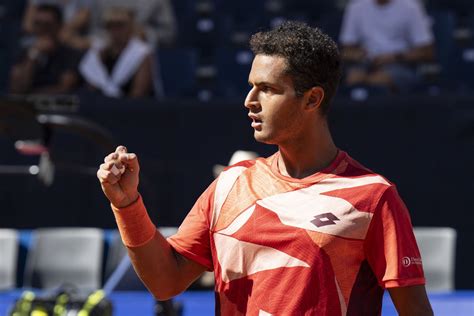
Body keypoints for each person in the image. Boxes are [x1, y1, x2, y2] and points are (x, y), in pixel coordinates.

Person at [97, 22, 433, 315]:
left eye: (268, 89)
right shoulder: (230, 183)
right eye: (251, 85)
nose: (249, 100)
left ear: (312, 99)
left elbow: (415, 311)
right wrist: (127, 204)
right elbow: (165, 281)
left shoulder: (373, 196)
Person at [339, 0, 435, 92]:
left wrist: (394, 57)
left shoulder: (411, 6)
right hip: (365, 63)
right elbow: (346, 50)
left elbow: (427, 52)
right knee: (352, 78)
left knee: (380, 80)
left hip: (401, 63)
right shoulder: (356, 6)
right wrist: (358, 54)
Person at [79, 7, 154, 98]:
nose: (115, 30)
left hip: (132, 108)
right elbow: (92, 88)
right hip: (102, 106)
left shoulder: (141, 53)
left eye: (120, 26)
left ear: (130, 28)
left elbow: (139, 94)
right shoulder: (99, 51)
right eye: (111, 26)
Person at [10, 4, 82, 94]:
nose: (41, 29)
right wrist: (33, 55)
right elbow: (17, 88)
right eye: (37, 24)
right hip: (25, 105)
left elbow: (65, 89)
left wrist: (30, 95)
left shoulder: (71, 54)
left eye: (47, 25)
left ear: (59, 26)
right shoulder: (26, 52)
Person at [89, 0, 177, 47]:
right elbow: (94, 30)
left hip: (141, 50)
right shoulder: (99, 2)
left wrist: (146, 34)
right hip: (106, 49)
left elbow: (168, 33)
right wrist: (109, 37)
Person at [22, 0, 92, 50]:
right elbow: (28, 25)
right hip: (39, 41)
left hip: (69, 41)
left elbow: (84, 16)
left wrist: (60, 34)